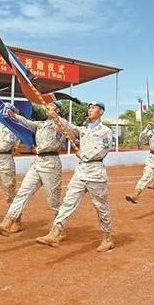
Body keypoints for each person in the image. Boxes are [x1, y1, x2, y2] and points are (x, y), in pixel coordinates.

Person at [36, 101, 114, 252]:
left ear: (101, 112)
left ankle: (108, 237)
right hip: (80, 172)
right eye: (89, 107)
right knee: (68, 202)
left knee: (101, 208)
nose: (90, 110)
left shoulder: (105, 131)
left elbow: (102, 150)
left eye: (94, 108)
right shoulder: (83, 130)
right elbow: (69, 128)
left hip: (95, 173)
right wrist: (56, 117)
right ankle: (55, 232)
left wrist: (83, 155)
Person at [0, 101, 66, 236]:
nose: (47, 107)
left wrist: (40, 148)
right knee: (22, 192)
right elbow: (28, 123)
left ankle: (59, 229)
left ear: (57, 110)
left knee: (54, 201)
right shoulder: (41, 125)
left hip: (51, 164)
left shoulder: (61, 124)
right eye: (47, 106)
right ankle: (7, 223)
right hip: (37, 163)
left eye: (51, 106)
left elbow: (56, 138)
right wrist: (14, 116)